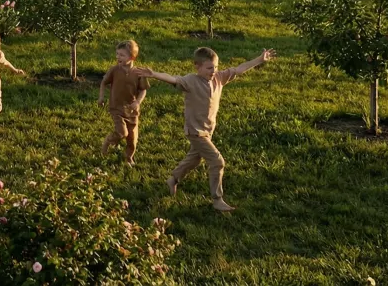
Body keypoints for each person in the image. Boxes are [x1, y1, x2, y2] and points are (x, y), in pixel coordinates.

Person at [137, 47, 275, 212]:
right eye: (210, 68)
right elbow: (173, 79)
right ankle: (217, 199)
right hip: (195, 131)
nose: (214, 71)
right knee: (217, 161)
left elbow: (239, 69)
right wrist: (154, 75)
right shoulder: (190, 81)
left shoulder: (219, 78)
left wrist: (259, 59)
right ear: (198, 66)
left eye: (216, 67)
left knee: (195, 158)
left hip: (208, 131)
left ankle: (173, 179)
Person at [97, 40, 149, 164]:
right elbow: (104, 82)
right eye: (117, 54)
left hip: (132, 110)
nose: (118, 57)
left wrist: (137, 102)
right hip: (116, 107)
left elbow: (143, 90)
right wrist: (101, 97)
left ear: (132, 57)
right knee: (122, 132)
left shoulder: (138, 73)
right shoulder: (114, 70)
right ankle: (108, 141)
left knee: (132, 140)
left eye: (121, 55)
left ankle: (128, 158)